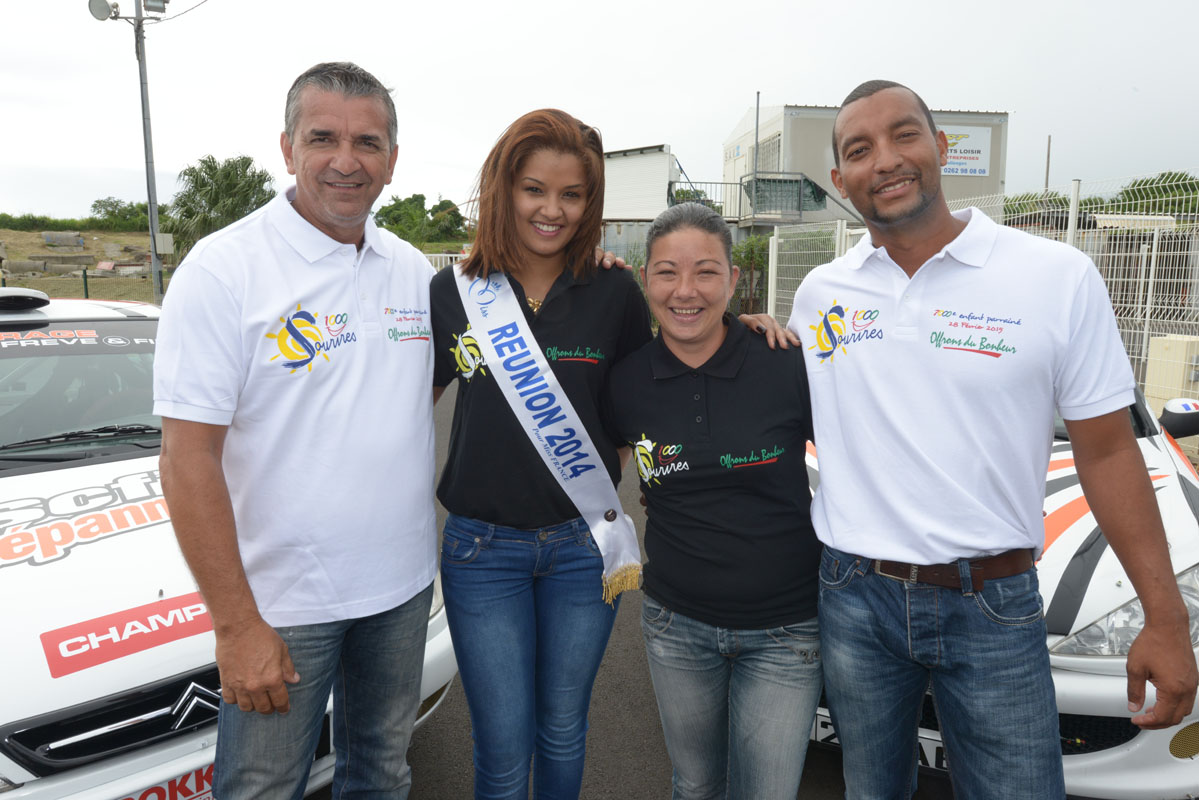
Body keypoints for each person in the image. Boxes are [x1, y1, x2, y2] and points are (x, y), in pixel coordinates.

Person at [787, 79, 1198, 799]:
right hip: (853, 595)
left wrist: (1164, 619)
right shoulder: (820, 293)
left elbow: (1108, 451)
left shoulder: (1055, 276)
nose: (885, 159)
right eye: (859, 149)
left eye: (904, 134)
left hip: (993, 604)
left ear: (941, 146)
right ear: (839, 179)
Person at [154, 62, 436, 800]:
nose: (347, 160)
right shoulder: (224, 270)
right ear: (286, 148)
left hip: (401, 592)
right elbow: (186, 459)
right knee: (262, 787)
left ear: (392, 160)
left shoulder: (413, 270)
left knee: (382, 773)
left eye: (367, 142)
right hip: (282, 606)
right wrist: (235, 624)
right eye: (322, 138)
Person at [429, 109, 652, 799]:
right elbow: (404, 408)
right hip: (481, 551)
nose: (552, 210)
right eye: (534, 189)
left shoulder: (614, 290)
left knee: (561, 729)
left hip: (582, 548)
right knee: (501, 748)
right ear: (504, 189)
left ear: (590, 203)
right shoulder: (452, 292)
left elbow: (637, 407)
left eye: (571, 194)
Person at [604, 202, 823, 799]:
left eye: (706, 271)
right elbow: (600, 468)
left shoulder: (786, 362)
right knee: (696, 785)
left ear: (733, 278)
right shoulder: (624, 381)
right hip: (676, 625)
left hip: (786, 629)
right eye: (667, 272)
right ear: (645, 279)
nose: (686, 291)